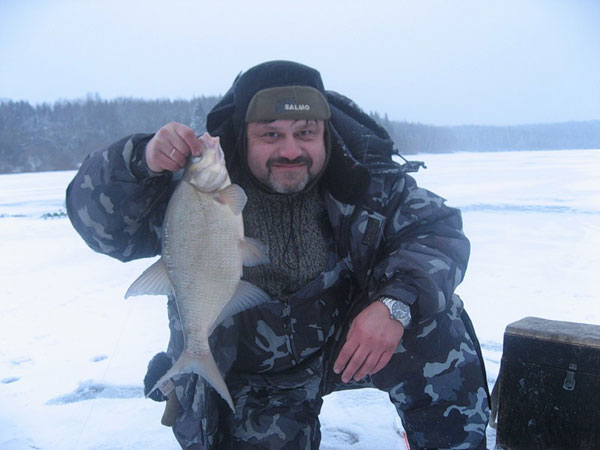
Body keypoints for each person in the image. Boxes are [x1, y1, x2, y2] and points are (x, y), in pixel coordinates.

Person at [66, 60, 490, 449]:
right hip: (251, 368)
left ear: (325, 133)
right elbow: (102, 229)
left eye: (305, 132)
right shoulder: (188, 193)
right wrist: (137, 161)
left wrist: (394, 303)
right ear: (242, 136)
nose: (290, 150)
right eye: (270, 134)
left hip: (343, 342)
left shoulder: (365, 180)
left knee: (435, 319)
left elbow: (436, 230)